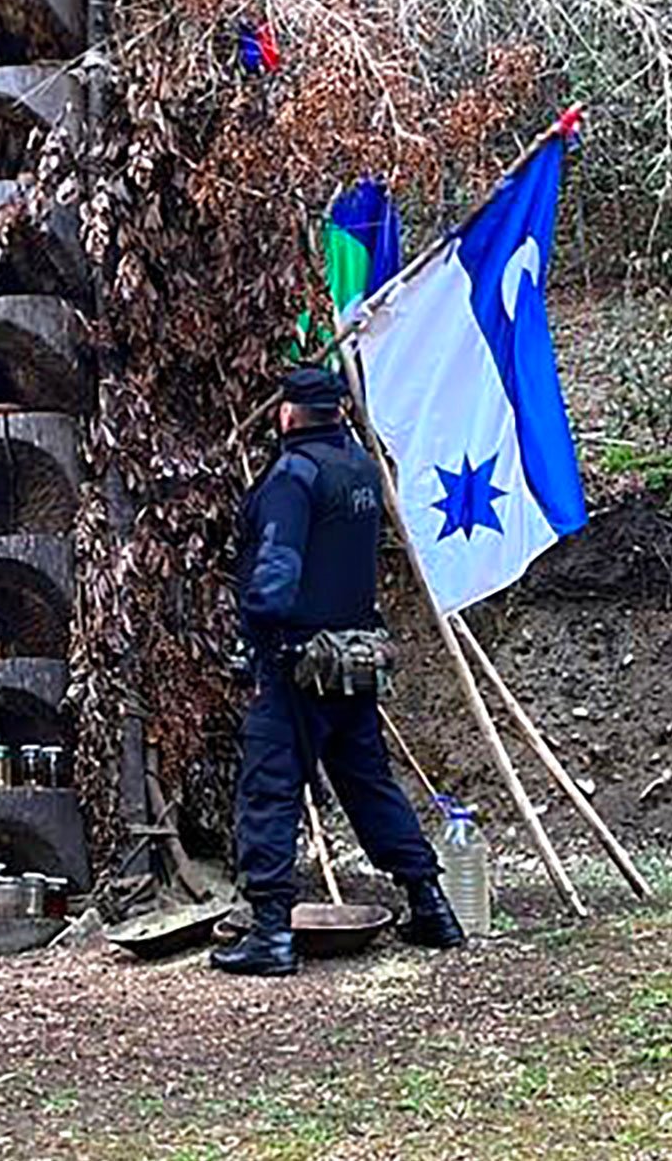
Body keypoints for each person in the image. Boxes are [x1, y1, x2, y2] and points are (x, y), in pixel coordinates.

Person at [212, 364, 465, 977]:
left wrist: (254, 636)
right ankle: (431, 905)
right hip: (355, 662)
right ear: (339, 412)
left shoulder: (293, 476)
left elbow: (275, 576)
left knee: (269, 791)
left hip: (295, 663)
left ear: (287, 414)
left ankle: (271, 934)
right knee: (369, 784)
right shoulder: (361, 469)